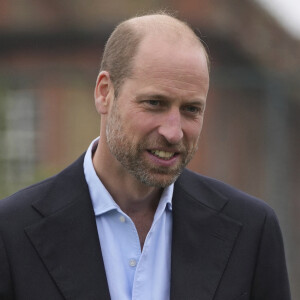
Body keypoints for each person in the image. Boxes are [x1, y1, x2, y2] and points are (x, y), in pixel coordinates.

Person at [0, 13, 291, 300]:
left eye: (191, 109)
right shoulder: (11, 232)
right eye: (154, 103)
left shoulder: (251, 231)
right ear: (104, 93)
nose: (173, 132)